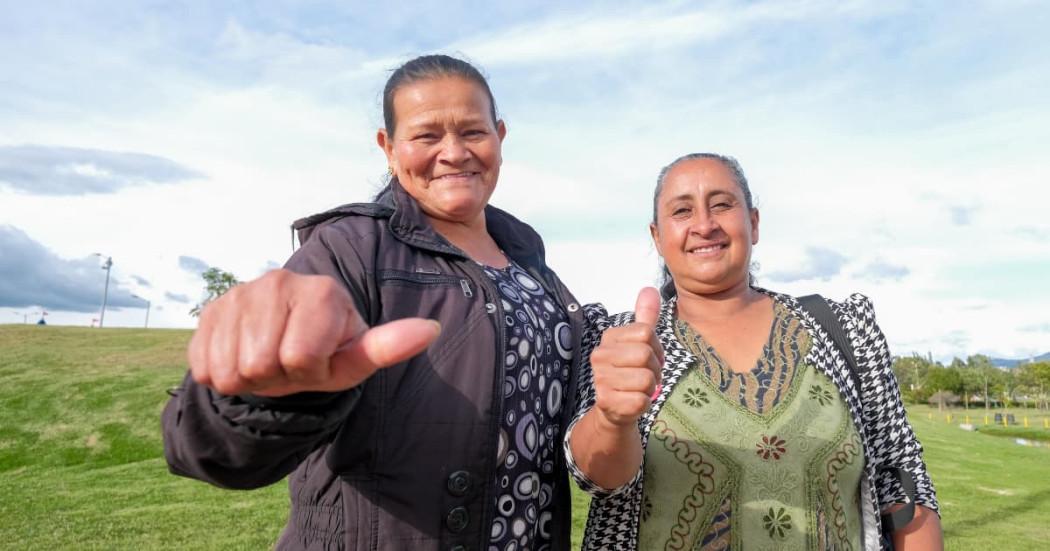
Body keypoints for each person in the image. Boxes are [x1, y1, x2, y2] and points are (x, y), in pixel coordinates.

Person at [162, 54, 588, 551]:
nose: (454, 152)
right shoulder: (350, 249)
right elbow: (209, 449)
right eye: (426, 136)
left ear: (500, 136)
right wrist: (266, 392)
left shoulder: (530, 263)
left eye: (473, 132)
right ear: (388, 147)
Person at [565, 153, 942, 550]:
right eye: (682, 211)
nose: (704, 225)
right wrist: (612, 418)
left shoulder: (845, 330)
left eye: (721, 204)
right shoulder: (619, 340)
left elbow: (902, 479)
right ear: (657, 237)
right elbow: (598, 479)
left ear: (754, 223)